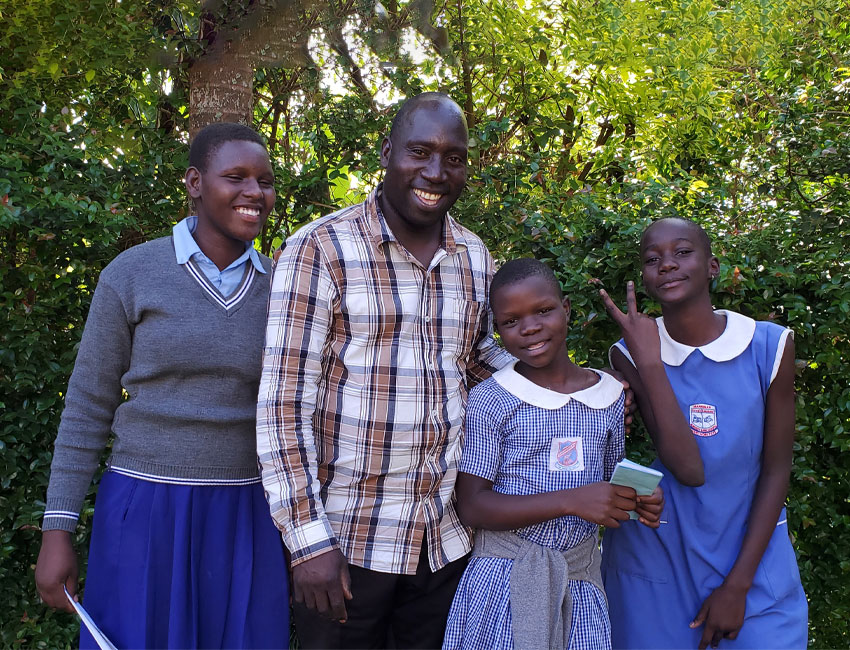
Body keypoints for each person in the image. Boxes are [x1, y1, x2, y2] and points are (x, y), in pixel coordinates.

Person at [256, 92, 516, 648]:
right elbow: (283, 406)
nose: (435, 172)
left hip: (443, 540)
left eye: (454, 157)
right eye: (419, 151)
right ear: (385, 152)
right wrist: (308, 542)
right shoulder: (320, 249)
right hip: (346, 546)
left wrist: (570, 386)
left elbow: (474, 359)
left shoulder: (475, 257)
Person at [34, 123, 290, 649]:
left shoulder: (283, 287)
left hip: (247, 511)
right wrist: (56, 530)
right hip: (144, 509)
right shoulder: (132, 274)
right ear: (195, 182)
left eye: (264, 181)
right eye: (235, 177)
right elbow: (87, 406)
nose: (253, 193)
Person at [599, 217, 808, 649]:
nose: (668, 265)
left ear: (712, 266)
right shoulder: (630, 352)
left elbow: (775, 471)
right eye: (653, 259)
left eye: (682, 252)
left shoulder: (769, 346)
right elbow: (686, 467)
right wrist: (649, 362)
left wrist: (737, 586)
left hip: (750, 559)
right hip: (657, 558)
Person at [442, 259, 663, 650]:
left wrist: (639, 499)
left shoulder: (608, 396)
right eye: (511, 321)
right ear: (497, 331)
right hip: (503, 582)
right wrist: (569, 501)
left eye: (543, 311)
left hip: (579, 582)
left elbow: (609, 489)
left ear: (567, 309)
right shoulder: (493, 399)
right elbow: (472, 507)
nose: (529, 328)